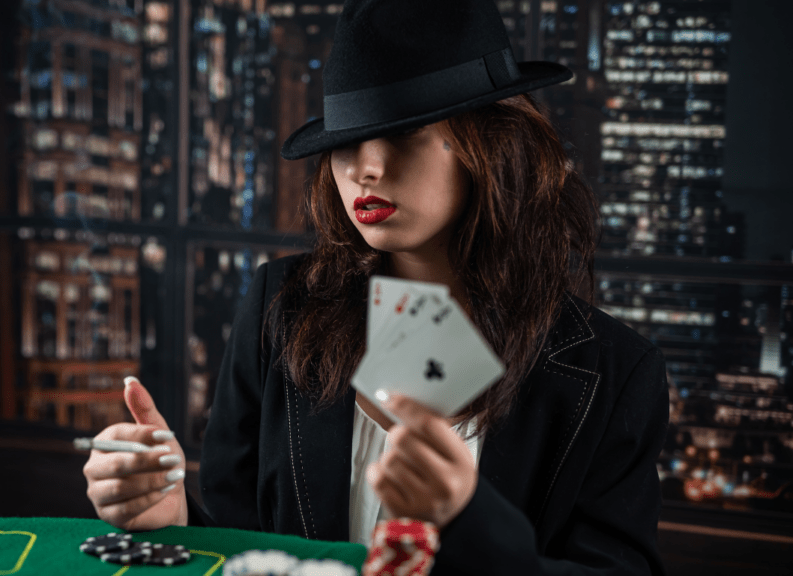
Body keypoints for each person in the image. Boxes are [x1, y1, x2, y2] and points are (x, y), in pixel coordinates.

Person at [83, 0, 670, 573]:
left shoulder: (615, 371)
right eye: (347, 139)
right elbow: (245, 549)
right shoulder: (279, 306)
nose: (365, 167)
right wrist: (176, 517)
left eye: (404, 132)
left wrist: (470, 521)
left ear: (491, 145)